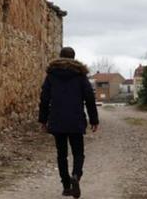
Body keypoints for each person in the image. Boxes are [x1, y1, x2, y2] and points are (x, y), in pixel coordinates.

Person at [38, 47, 99, 198]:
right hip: (76, 119)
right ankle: (76, 175)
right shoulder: (80, 75)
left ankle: (66, 186)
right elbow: (90, 98)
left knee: (61, 154)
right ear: (74, 57)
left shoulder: (51, 75)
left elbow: (44, 99)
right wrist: (94, 120)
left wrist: (43, 120)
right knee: (78, 153)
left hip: (57, 120)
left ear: (60, 57)